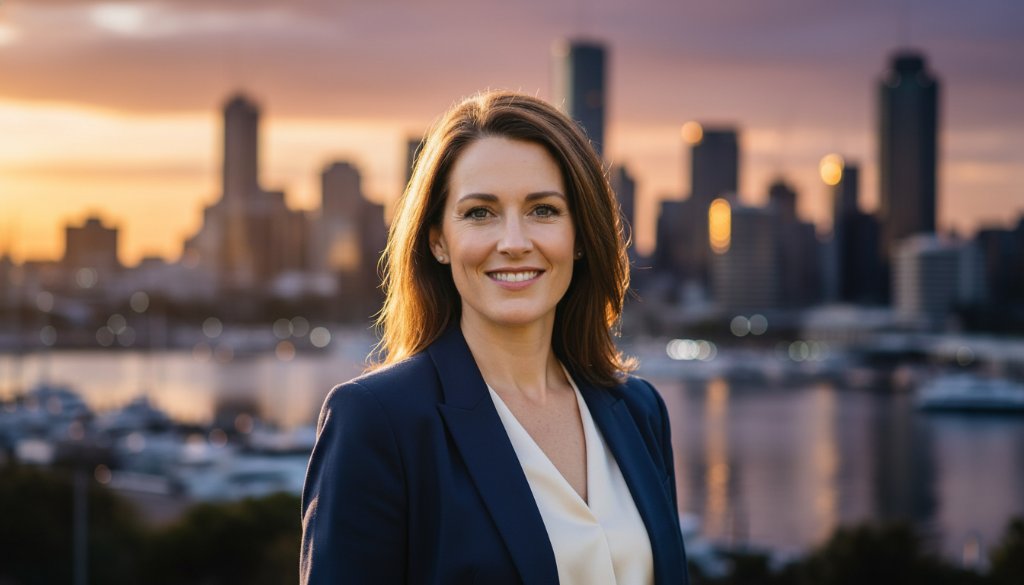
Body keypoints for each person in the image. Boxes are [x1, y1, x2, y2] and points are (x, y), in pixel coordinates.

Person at [301, 90, 689, 584]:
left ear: (581, 237)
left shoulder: (639, 410)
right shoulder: (378, 422)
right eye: (480, 213)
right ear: (438, 240)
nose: (513, 243)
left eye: (543, 210)